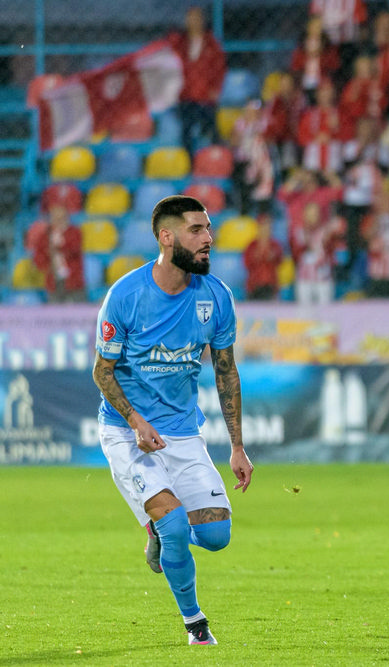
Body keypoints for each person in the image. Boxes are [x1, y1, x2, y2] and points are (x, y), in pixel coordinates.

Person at [92, 195, 253, 646]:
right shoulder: (126, 296)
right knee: (177, 524)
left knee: (216, 535)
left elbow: (225, 371)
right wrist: (135, 420)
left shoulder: (216, 296)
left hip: (183, 434)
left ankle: (162, 535)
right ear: (167, 237)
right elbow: (102, 372)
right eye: (196, 230)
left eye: (208, 228)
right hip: (128, 434)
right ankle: (195, 625)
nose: (209, 238)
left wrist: (237, 447)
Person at [167, 7, 226, 157]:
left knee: (212, 130)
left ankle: (215, 161)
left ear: (202, 20)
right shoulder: (180, 43)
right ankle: (189, 161)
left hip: (205, 95)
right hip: (186, 95)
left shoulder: (211, 44)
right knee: (186, 131)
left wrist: (215, 89)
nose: (193, 22)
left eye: (196, 18)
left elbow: (219, 68)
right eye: (190, 18)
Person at [25, 203, 85, 303]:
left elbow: (74, 250)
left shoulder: (74, 232)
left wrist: (60, 245)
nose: (58, 221)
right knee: (54, 307)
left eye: (61, 218)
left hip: (73, 281)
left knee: (77, 306)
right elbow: (39, 257)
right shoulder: (46, 235)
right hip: (53, 280)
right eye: (55, 218)